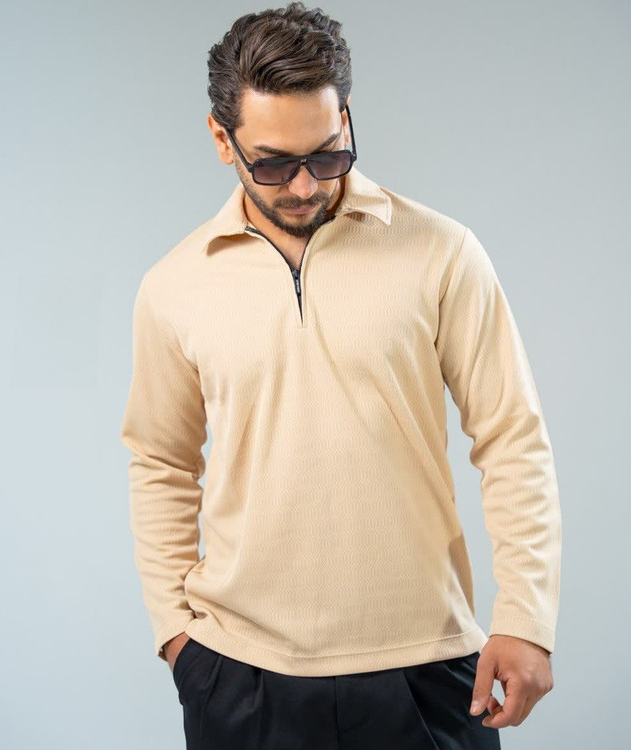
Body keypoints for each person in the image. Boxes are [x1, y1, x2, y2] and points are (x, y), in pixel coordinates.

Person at [120, 2, 561, 748]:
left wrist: (526, 618)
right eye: (273, 164)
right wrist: (176, 636)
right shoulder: (173, 286)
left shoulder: (442, 253)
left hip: (426, 666)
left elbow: (512, 437)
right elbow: (160, 461)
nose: (303, 186)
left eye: (327, 156)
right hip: (240, 675)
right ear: (222, 140)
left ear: (346, 120)